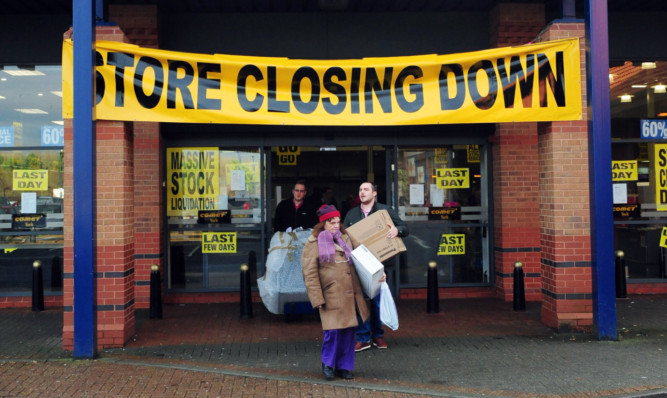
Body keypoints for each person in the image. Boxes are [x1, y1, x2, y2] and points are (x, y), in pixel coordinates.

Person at [301, 204, 370, 380]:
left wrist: (378, 272)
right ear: (323, 223)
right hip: (330, 294)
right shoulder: (312, 243)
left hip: (349, 293)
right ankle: (328, 364)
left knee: (348, 332)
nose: (335, 226)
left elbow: (364, 256)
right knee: (332, 332)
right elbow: (309, 274)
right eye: (331, 222)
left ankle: (344, 366)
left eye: (338, 222)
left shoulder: (346, 238)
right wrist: (316, 298)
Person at [343, 181, 409, 352]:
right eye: (360, 189)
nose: (362, 192)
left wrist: (397, 230)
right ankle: (363, 337)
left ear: (374, 193)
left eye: (366, 189)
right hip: (359, 267)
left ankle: (378, 335)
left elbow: (405, 228)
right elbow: (343, 239)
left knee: (377, 302)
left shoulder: (384, 211)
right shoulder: (351, 214)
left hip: (380, 265)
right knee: (361, 302)